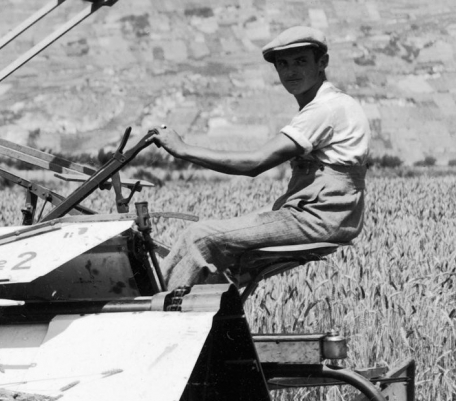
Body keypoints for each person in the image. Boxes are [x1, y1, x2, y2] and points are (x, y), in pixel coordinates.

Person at [154, 24, 371, 292]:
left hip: (316, 220)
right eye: (283, 64)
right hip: (322, 217)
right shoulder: (332, 103)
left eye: (301, 61)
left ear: (322, 63)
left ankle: (152, 313)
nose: (291, 71)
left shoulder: (324, 109)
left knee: (200, 238)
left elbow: (255, 163)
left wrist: (182, 149)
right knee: (222, 242)